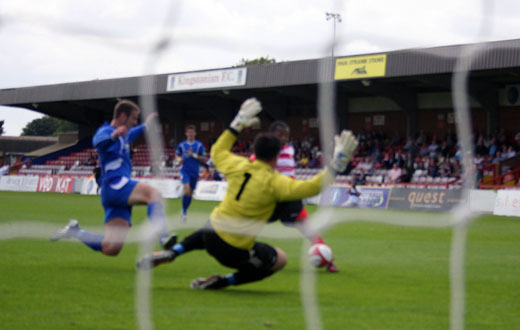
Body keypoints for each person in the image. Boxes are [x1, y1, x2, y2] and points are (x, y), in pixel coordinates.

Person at [136, 98, 358, 290]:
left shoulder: (237, 165)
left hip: (210, 233)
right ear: (275, 157)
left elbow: (217, 151)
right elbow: (313, 186)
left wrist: (236, 125)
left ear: (255, 151)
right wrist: (336, 165)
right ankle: (224, 282)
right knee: (278, 260)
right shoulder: (276, 183)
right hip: (233, 250)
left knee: (214, 223)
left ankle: (174, 252)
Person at [51, 100, 174, 255]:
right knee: (153, 194)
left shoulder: (124, 135)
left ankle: (76, 232)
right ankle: (163, 237)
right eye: (134, 118)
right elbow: (98, 142)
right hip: (115, 185)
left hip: (114, 194)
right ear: (123, 116)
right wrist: (114, 136)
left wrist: (146, 126)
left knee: (111, 248)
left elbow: (132, 133)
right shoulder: (106, 131)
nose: (135, 122)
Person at [266, 120, 339, 272]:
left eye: (286, 135)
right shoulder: (264, 151)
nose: (284, 138)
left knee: (307, 228)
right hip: (270, 196)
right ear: (271, 135)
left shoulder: (288, 149)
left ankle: (328, 260)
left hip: (290, 194)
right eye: (280, 135)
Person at [176, 124, 206, 222]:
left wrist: (193, 155)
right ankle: (184, 212)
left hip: (195, 172)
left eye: (192, 132)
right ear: (186, 133)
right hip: (185, 170)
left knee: (190, 194)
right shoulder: (181, 145)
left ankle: (184, 210)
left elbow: (204, 159)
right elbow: (177, 155)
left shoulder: (199, 145)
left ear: (195, 133)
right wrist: (179, 159)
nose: (190, 134)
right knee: (186, 189)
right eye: (189, 132)